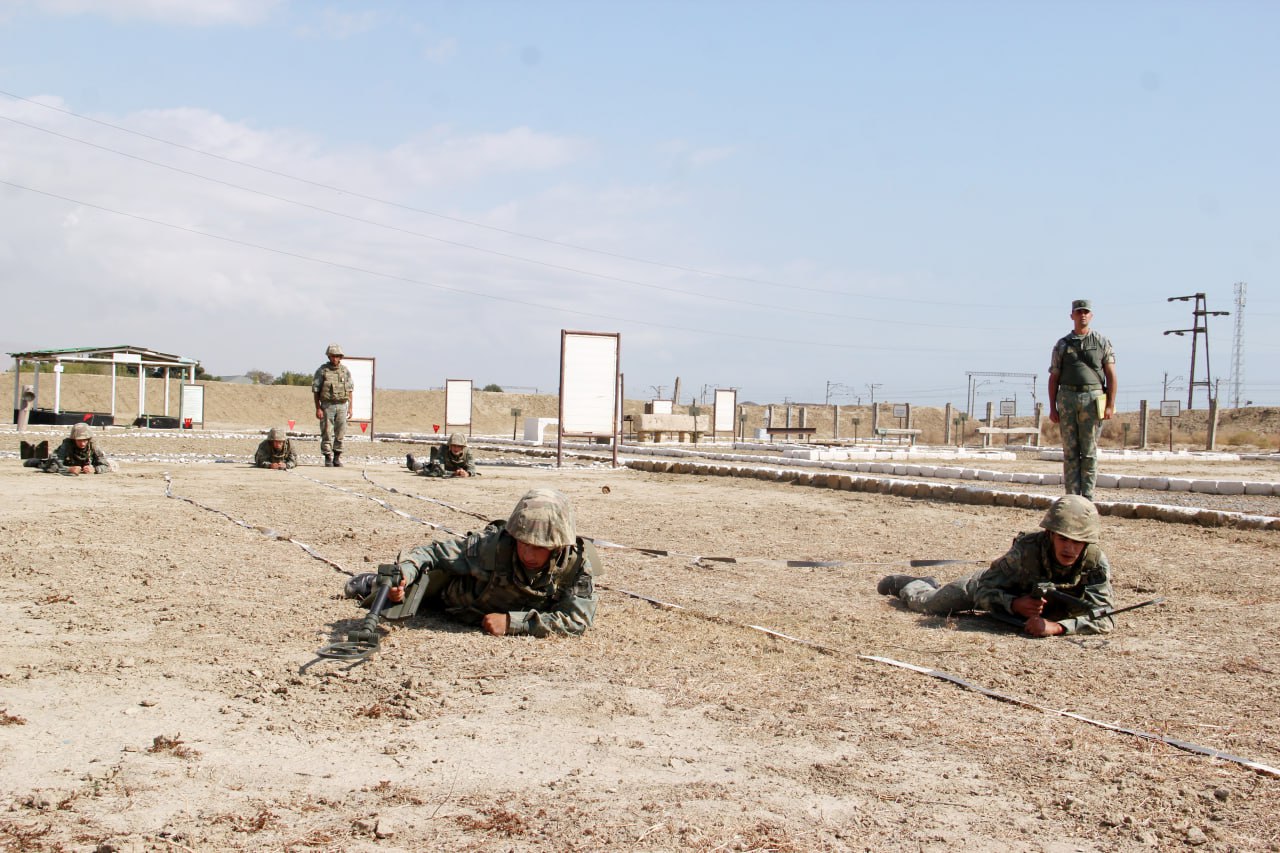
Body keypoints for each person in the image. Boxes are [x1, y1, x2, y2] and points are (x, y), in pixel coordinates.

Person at [344, 488, 599, 637]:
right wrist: (407, 573)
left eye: (539, 547)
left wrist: (514, 622)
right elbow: (433, 553)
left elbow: (577, 619)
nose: (528, 554)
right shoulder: (491, 546)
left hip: (493, 612)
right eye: (523, 542)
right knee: (398, 593)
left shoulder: (577, 565)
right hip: (448, 594)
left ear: (558, 546)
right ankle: (371, 583)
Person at [876, 495, 1115, 637]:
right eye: (1064, 539)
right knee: (929, 605)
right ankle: (913, 584)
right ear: (1050, 534)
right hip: (992, 587)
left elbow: (1105, 617)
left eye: (1078, 542)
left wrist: (1058, 628)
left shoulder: (1094, 562)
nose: (1070, 549)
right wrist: (1013, 604)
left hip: (1047, 615)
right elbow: (984, 588)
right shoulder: (1026, 552)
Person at [1048, 299, 1117, 501]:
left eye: (1086, 312)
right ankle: (1071, 497)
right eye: (1079, 312)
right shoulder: (1062, 344)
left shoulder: (1102, 342)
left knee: (1088, 452)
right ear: (1072, 316)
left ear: (1091, 315)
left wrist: (1110, 405)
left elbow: (1111, 375)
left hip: (1092, 399)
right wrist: (1053, 408)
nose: (1082, 315)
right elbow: (1054, 377)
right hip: (1068, 398)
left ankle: (1087, 497)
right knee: (1070, 452)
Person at [312, 343, 353, 467]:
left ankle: (337, 457)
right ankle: (327, 457)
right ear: (329, 357)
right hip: (327, 405)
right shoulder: (322, 371)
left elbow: (350, 390)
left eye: (337, 356)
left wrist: (350, 408)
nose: (335, 358)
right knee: (326, 432)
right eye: (332, 356)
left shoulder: (345, 371)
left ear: (340, 357)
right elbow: (316, 391)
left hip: (342, 405)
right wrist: (318, 408)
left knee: (340, 432)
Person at [24, 422, 110, 474]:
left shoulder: (93, 445)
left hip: (85, 466)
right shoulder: (67, 444)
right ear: (74, 439)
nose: (83, 443)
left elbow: (106, 465)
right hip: (66, 463)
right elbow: (55, 465)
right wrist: (69, 469)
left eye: (85, 440)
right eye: (79, 440)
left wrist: (95, 469)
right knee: (47, 465)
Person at [406, 432, 477, 478]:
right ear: (450, 446)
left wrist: (467, 474)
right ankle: (411, 461)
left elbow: (472, 468)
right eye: (453, 445)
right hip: (438, 467)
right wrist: (454, 473)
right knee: (420, 467)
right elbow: (439, 470)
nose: (456, 448)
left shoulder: (468, 452)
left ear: (462, 447)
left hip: (455, 470)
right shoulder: (443, 449)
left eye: (458, 446)